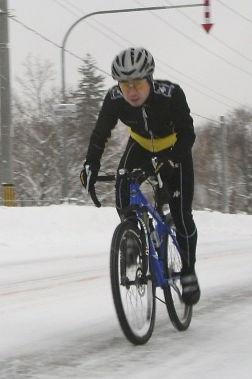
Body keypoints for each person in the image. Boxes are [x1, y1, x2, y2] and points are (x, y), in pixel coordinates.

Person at [80, 47, 200, 305]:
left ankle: (188, 270)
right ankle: (132, 238)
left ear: (150, 79)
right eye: (124, 85)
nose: (131, 92)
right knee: (123, 185)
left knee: (181, 214)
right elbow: (100, 134)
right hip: (141, 146)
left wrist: (171, 159)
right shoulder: (114, 98)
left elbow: (188, 135)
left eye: (137, 84)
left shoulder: (171, 95)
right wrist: (91, 165)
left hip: (173, 148)